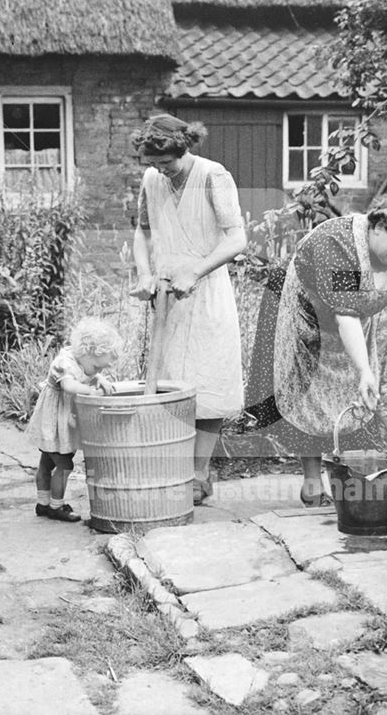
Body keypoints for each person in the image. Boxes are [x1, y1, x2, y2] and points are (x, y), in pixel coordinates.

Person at [265, 192, 387, 506]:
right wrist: (365, 370)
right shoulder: (337, 243)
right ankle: (312, 482)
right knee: (311, 398)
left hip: (352, 320)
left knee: (355, 396)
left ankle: (350, 480)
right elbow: (345, 315)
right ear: (381, 225)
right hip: (308, 319)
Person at [129, 114, 247, 505]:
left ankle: (199, 474)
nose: (160, 171)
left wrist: (195, 271)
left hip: (207, 290)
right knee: (168, 382)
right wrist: (145, 275)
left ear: (184, 149)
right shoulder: (151, 180)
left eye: (166, 163)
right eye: (153, 164)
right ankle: (174, 469)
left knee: (208, 385)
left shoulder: (214, 176)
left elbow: (236, 239)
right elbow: (143, 232)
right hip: (166, 296)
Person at [26, 317, 121, 522]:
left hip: (59, 420)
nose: (97, 371)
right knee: (64, 465)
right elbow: (69, 386)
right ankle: (55, 506)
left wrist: (99, 378)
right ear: (87, 353)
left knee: (46, 462)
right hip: (55, 421)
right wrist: (90, 391)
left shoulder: (82, 360)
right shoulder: (65, 362)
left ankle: (43, 504)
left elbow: (88, 373)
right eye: (97, 367)